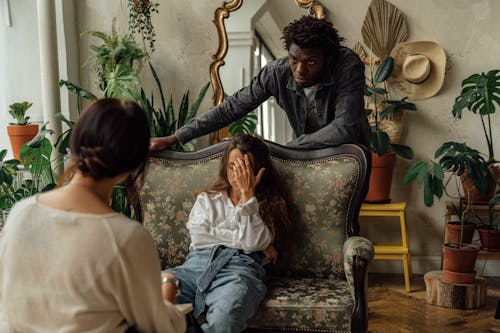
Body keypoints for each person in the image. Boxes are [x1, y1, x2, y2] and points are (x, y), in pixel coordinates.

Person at [0, 99, 189, 332]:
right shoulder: (126, 238)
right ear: (133, 163)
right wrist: (168, 287)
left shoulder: (21, 213)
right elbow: (159, 327)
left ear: (77, 142)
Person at [150, 15, 369, 151]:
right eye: (294, 60)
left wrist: (289, 147)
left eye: (310, 61)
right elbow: (230, 108)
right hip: (305, 154)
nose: (300, 70)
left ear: (327, 59)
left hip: (349, 154)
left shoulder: (346, 65)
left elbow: (345, 128)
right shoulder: (277, 72)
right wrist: (174, 137)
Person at [161, 134, 293, 333]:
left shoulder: (270, 205)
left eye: (244, 167)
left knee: (227, 315)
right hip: (196, 267)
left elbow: (250, 244)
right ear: (224, 166)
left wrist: (248, 198)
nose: (237, 174)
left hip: (238, 271)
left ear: (258, 170)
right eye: (232, 166)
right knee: (153, 290)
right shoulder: (207, 199)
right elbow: (199, 237)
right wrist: (247, 241)